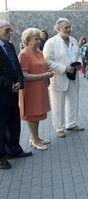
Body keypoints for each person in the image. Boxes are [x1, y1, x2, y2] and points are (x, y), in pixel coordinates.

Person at [0, 20, 33, 169]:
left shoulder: (10, 46)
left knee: (14, 123)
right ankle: (1, 158)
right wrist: (10, 85)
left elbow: (16, 66)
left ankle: (14, 150)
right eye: (7, 30)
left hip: (13, 93)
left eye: (10, 30)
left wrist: (20, 81)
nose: (10, 33)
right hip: (2, 93)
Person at [43, 18, 84, 138]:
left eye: (69, 27)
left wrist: (79, 63)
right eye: (66, 27)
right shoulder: (50, 43)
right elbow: (47, 61)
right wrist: (64, 68)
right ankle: (59, 128)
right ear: (58, 28)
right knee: (58, 105)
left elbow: (79, 54)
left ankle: (71, 123)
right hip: (59, 77)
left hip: (73, 76)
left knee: (73, 101)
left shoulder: (74, 40)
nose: (69, 29)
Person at [18, 28, 53, 150]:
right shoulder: (24, 54)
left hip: (40, 88)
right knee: (32, 115)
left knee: (37, 114)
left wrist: (47, 73)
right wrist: (44, 76)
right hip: (30, 90)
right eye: (36, 39)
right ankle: (35, 139)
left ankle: (35, 137)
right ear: (27, 40)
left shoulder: (38, 52)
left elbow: (42, 67)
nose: (39, 41)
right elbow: (24, 76)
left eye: (39, 38)